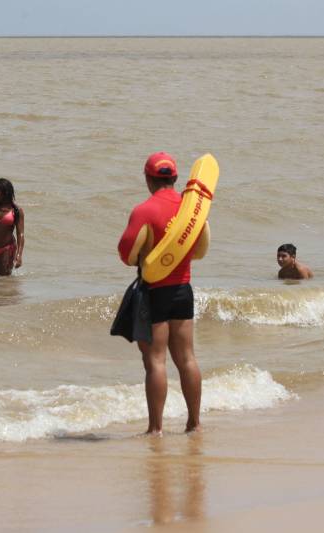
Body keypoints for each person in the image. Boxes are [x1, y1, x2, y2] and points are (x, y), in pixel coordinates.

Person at [117, 152, 210, 435]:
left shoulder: (143, 211)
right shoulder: (191, 210)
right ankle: (194, 423)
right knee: (187, 359)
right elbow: (200, 250)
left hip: (154, 292)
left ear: (148, 178)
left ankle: (155, 429)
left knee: (155, 361)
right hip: (183, 288)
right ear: (175, 178)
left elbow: (126, 253)